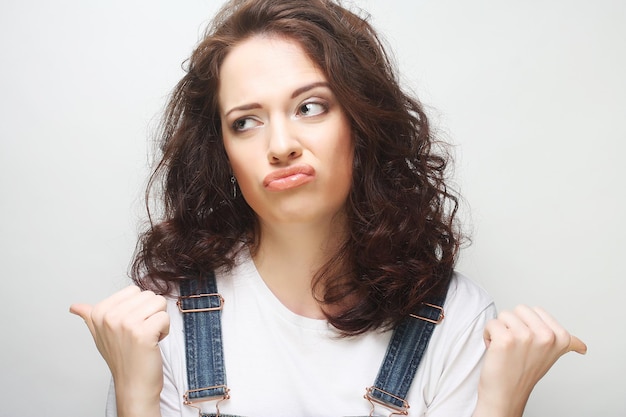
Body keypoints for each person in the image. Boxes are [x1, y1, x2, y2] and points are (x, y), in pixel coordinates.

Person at [70, 1, 586, 416]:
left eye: (309, 107)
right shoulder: (160, 320)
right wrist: (135, 400)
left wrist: (500, 406)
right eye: (246, 121)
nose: (281, 144)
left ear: (361, 125)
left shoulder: (456, 321)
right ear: (222, 153)